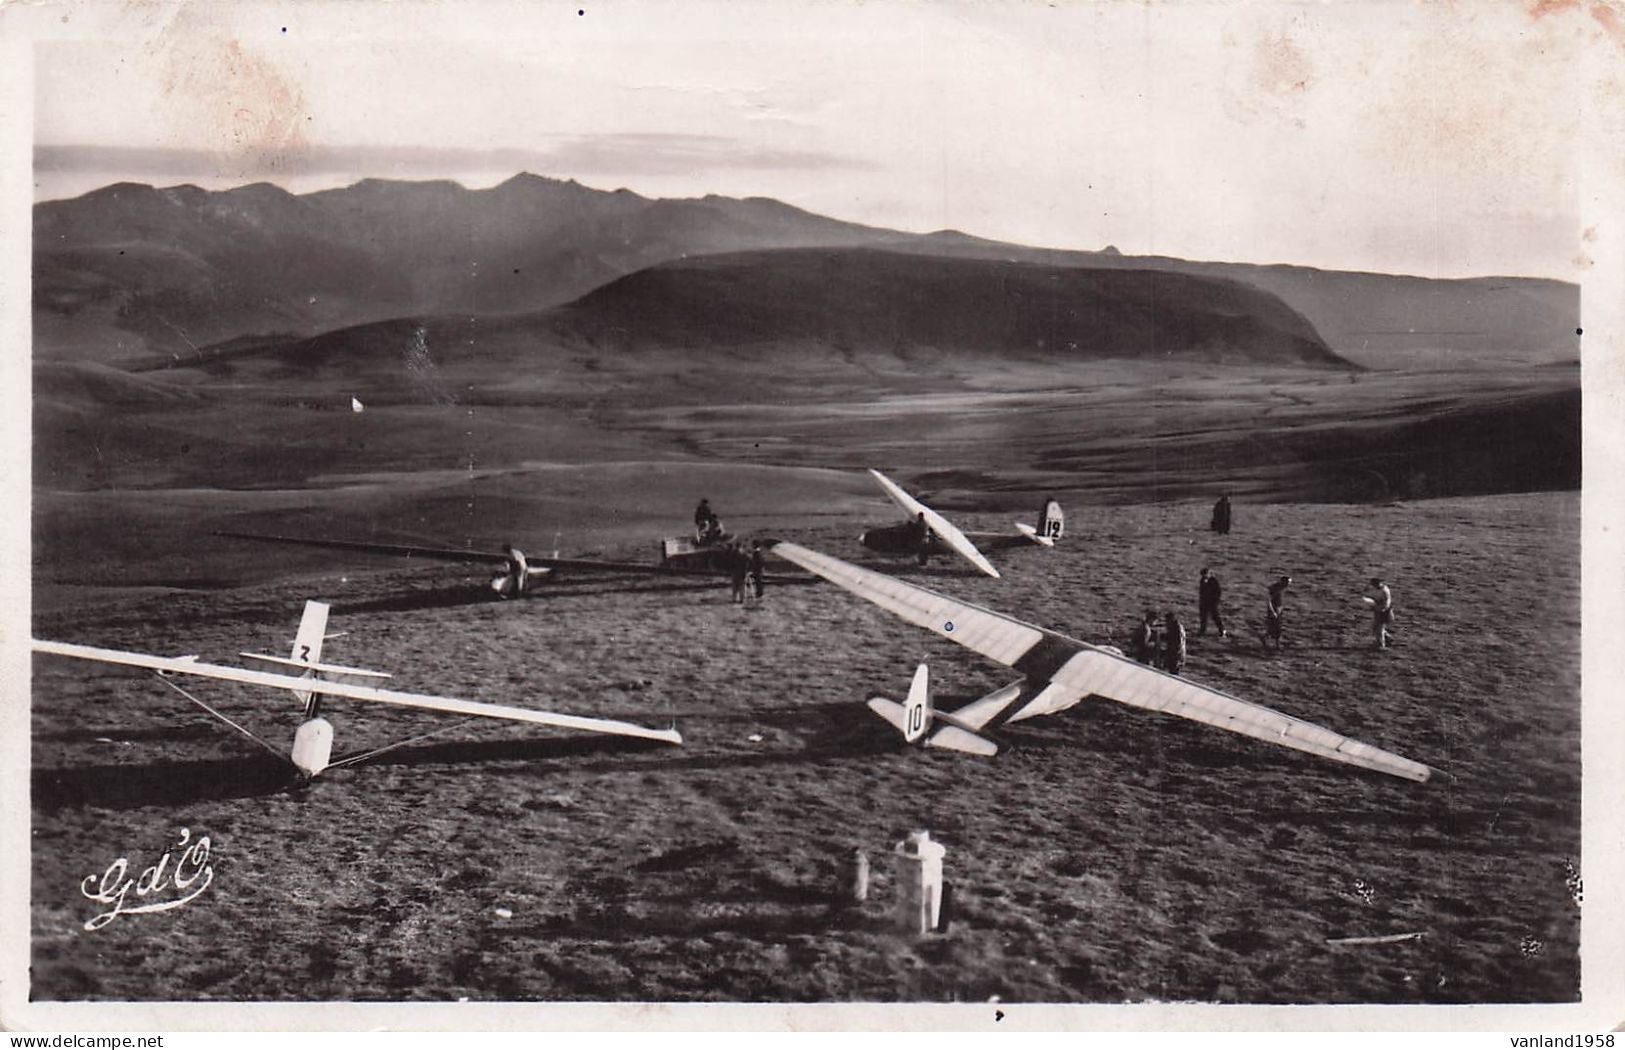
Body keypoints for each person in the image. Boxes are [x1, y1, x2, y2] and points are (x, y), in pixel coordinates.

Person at [1362, 577, 1394, 650]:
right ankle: (1387, 639)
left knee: (1379, 628)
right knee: (1375, 628)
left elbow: (1387, 603)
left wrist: (1381, 609)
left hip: (1384, 611)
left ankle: (1380, 645)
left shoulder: (1384, 591)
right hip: (1378, 610)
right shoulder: (1375, 589)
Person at [1198, 567, 1227, 637]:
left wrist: (1215, 601)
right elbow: (1201, 591)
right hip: (1204, 602)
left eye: (1205, 575)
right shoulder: (1203, 580)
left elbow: (1218, 592)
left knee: (1215, 617)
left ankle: (1222, 630)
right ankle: (1202, 631)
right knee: (1203, 618)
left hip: (1212, 603)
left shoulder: (1214, 581)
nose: (1204, 576)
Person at [1264, 575, 1291, 649]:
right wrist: (1272, 611)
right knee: (1273, 626)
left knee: (1278, 627)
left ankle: (1276, 643)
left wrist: (1281, 609)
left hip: (1279, 610)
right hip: (1273, 610)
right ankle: (1268, 641)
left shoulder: (1281, 589)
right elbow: (1269, 600)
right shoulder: (1274, 589)